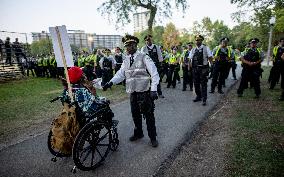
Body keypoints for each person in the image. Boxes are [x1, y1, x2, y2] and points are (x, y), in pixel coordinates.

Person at [103, 34, 160, 147]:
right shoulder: (126, 59)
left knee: (148, 116)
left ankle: (153, 137)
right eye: (126, 46)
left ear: (134, 45)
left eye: (128, 46)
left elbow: (154, 73)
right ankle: (139, 133)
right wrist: (111, 82)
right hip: (132, 92)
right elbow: (121, 74)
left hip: (144, 92)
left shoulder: (144, 56)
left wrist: (153, 89)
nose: (127, 48)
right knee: (135, 115)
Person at [188, 35, 213, 106]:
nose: (197, 41)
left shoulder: (206, 48)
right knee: (196, 84)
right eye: (196, 40)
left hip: (203, 69)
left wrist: (212, 66)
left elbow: (210, 57)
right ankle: (198, 96)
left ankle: (204, 99)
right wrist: (189, 70)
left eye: (199, 40)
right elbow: (190, 60)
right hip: (195, 70)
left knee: (203, 84)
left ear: (201, 40)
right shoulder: (193, 50)